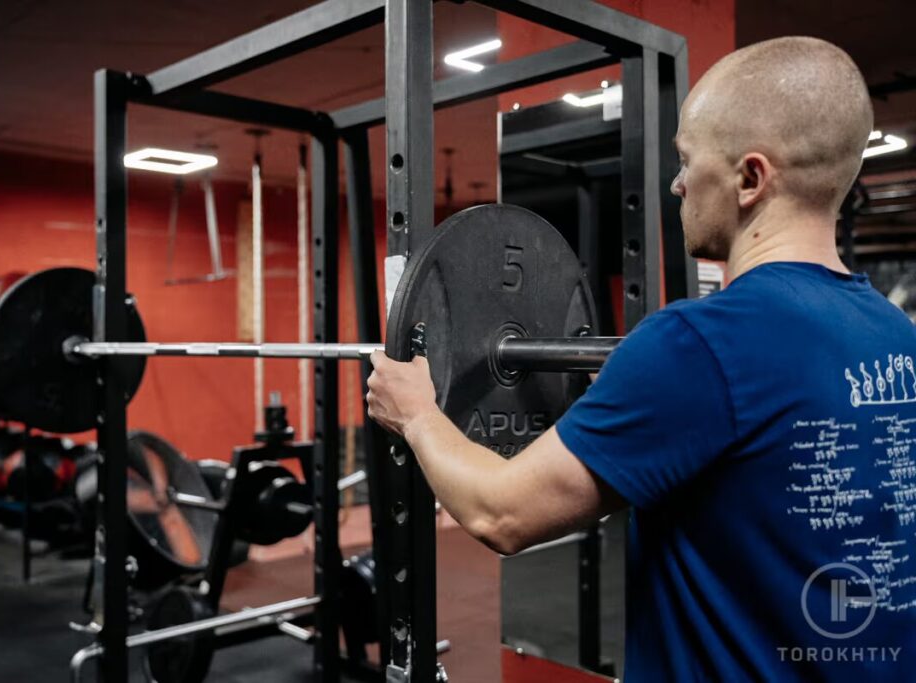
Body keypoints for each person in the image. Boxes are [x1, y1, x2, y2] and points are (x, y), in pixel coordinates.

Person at [366, 37, 916, 681]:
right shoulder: (893, 335)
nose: (679, 182)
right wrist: (638, 400)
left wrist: (416, 414)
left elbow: (501, 513)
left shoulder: (701, 342)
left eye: (687, 160)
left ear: (750, 177)